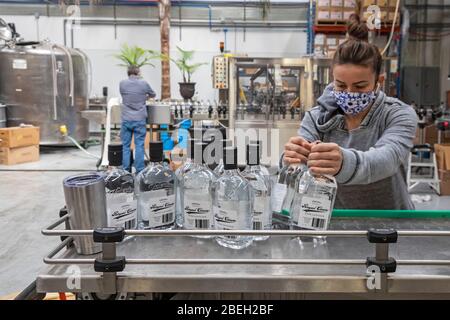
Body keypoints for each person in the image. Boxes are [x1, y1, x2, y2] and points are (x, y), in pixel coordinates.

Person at [283, 14, 418, 210]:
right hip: (337, 222)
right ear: (332, 79)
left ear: (378, 82)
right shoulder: (317, 116)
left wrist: (343, 163)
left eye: (360, 86)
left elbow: (387, 160)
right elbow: (298, 169)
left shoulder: (398, 114)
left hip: (390, 223)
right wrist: (291, 159)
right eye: (341, 85)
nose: (349, 93)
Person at [119, 65, 156, 173]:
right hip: (139, 119)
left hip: (126, 119)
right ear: (138, 73)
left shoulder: (122, 83)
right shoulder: (143, 83)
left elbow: (124, 96)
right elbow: (153, 94)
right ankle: (139, 170)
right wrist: (144, 97)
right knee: (139, 145)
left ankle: (125, 170)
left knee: (125, 146)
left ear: (128, 73)